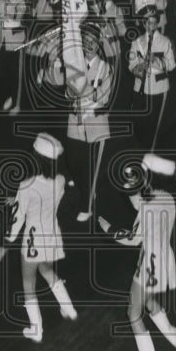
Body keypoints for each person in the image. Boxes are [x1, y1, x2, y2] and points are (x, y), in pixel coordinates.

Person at [99, 154, 176, 351]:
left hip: (150, 263)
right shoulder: (168, 198)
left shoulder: (147, 208)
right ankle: (172, 334)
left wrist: (107, 228)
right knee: (148, 300)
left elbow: (133, 239)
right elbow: (142, 204)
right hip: (165, 257)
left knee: (133, 312)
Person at [0, 133, 77, 342]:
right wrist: (19, 198)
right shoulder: (60, 180)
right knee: (46, 269)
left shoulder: (26, 184)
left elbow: (18, 218)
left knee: (28, 283)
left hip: (33, 237)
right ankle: (68, 308)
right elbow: (44, 200)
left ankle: (36, 330)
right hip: (52, 233)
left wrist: (4, 246)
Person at [65, 20, 114, 223]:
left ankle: (87, 206)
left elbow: (103, 97)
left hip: (95, 123)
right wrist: (76, 90)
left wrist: (82, 92)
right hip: (75, 122)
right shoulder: (74, 65)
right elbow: (68, 93)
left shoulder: (105, 68)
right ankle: (86, 188)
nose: (90, 45)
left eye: (93, 41)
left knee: (92, 168)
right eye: (86, 41)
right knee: (74, 162)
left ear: (99, 44)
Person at [127, 0, 175, 151]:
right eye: (147, 24)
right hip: (140, 87)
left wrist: (156, 61)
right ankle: (141, 149)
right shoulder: (136, 42)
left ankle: (152, 153)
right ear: (143, 24)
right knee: (139, 122)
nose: (151, 27)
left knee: (156, 125)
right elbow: (131, 64)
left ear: (157, 24)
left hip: (159, 88)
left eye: (153, 23)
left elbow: (171, 65)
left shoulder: (165, 42)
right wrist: (138, 68)